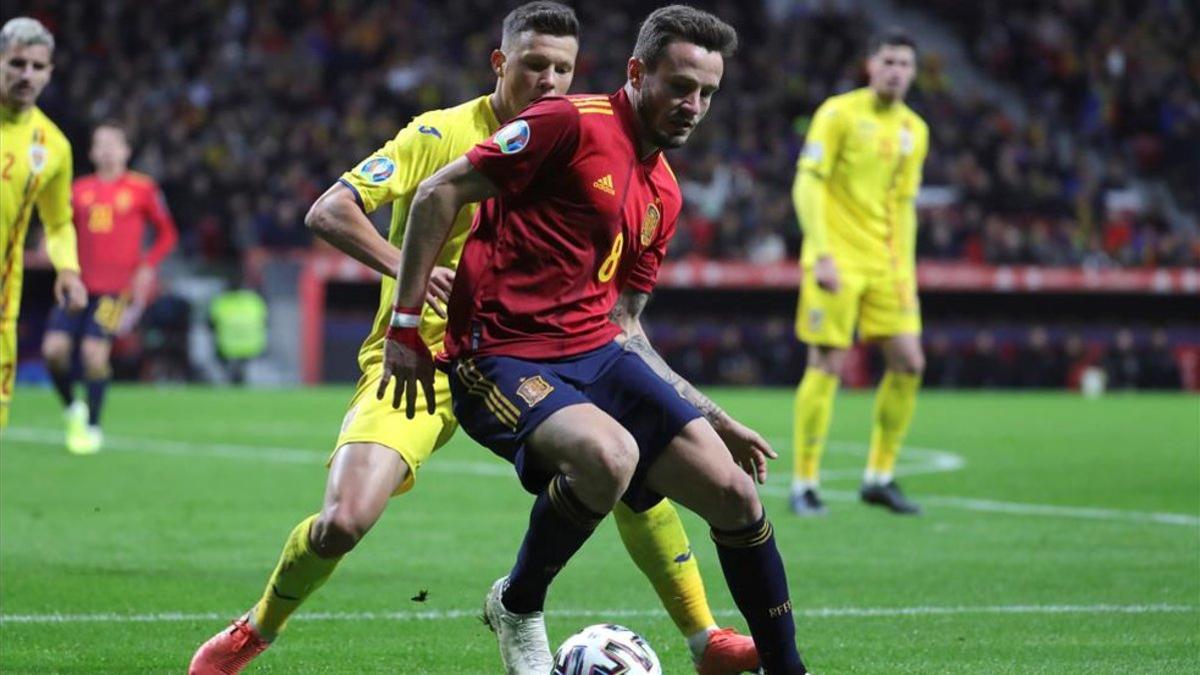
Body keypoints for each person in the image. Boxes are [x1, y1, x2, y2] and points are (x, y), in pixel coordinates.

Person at [190, 4, 756, 674]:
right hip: (420, 363)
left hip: (537, 357)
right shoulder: (440, 133)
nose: (548, 80)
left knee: (628, 464)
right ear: (500, 63)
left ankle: (703, 636)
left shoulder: (578, 136)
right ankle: (255, 628)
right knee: (344, 520)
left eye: (563, 68)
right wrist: (410, 274)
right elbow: (329, 208)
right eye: (534, 65)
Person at [379, 6, 808, 674]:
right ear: (637, 72)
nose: (693, 105)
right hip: (498, 351)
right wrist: (405, 327)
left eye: (707, 93)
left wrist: (716, 417)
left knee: (736, 495)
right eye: (679, 85)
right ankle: (518, 603)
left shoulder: (663, 189)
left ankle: (788, 668)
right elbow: (437, 193)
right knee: (609, 457)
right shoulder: (568, 121)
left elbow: (625, 325)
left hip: (595, 352)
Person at [789, 28, 930, 516]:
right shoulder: (838, 113)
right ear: (871, 65)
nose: (896, 71)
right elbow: (807, 184)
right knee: (827, 364)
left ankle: (879, 476)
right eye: (888, 61)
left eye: (905, 64)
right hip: (838, 260)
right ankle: (805, 483)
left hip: (887, 266)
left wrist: (905, 271)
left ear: (914, 72)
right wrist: (821, 253)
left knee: (909, 363)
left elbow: (906, 206)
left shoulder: (916, 129)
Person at [41, 121, 178, 453]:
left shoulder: (142, 189)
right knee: (53, 351)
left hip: (115, 289)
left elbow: (167, 233)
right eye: (99, 144)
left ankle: (92, 425)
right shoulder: (78, 189)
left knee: (92, 354)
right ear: (91, 152)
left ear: (126, 150)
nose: (106, 150)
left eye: (113, 144)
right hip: (76, 285)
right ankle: (74, 406)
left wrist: (147, 266)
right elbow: (60, 229)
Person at [0, 17, 87, 430]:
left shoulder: (53, 146)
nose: (27, 75)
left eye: (37, 67)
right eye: (17, 63)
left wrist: (68, 270)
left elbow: (57, 222)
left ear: (50, 72)